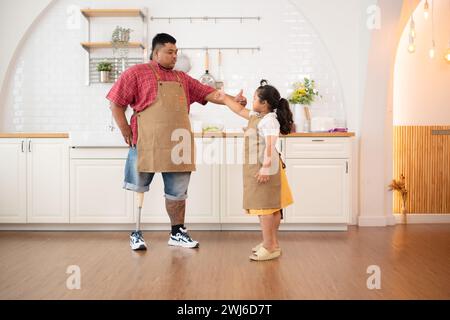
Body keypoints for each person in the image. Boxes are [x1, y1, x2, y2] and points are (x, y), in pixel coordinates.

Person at [107, 33, 247, 251]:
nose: (175, 57)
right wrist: (125, 129)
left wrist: (232, 100)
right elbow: (116, 103)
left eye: (176, 52)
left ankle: (177, 232)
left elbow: (212, 94)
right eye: (170, 52)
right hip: (146, 142)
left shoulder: (183, 78)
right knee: (139, 188)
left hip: (178, 144)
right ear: (155, 53)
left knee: (178, 192)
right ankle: (136, 232)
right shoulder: (135, 73)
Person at [215, 80, 294, 261]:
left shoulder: (269, 121)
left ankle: (270, 246)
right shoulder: (259, 117)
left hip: (266, 168)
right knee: (270, 207)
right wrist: (224, 98)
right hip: (261, 167)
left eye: (254, 99)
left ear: (264, 103)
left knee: (265, 208)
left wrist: (266, 168)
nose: (252, 102)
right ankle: (271, 243)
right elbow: (239, 110)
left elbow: (270, 145)